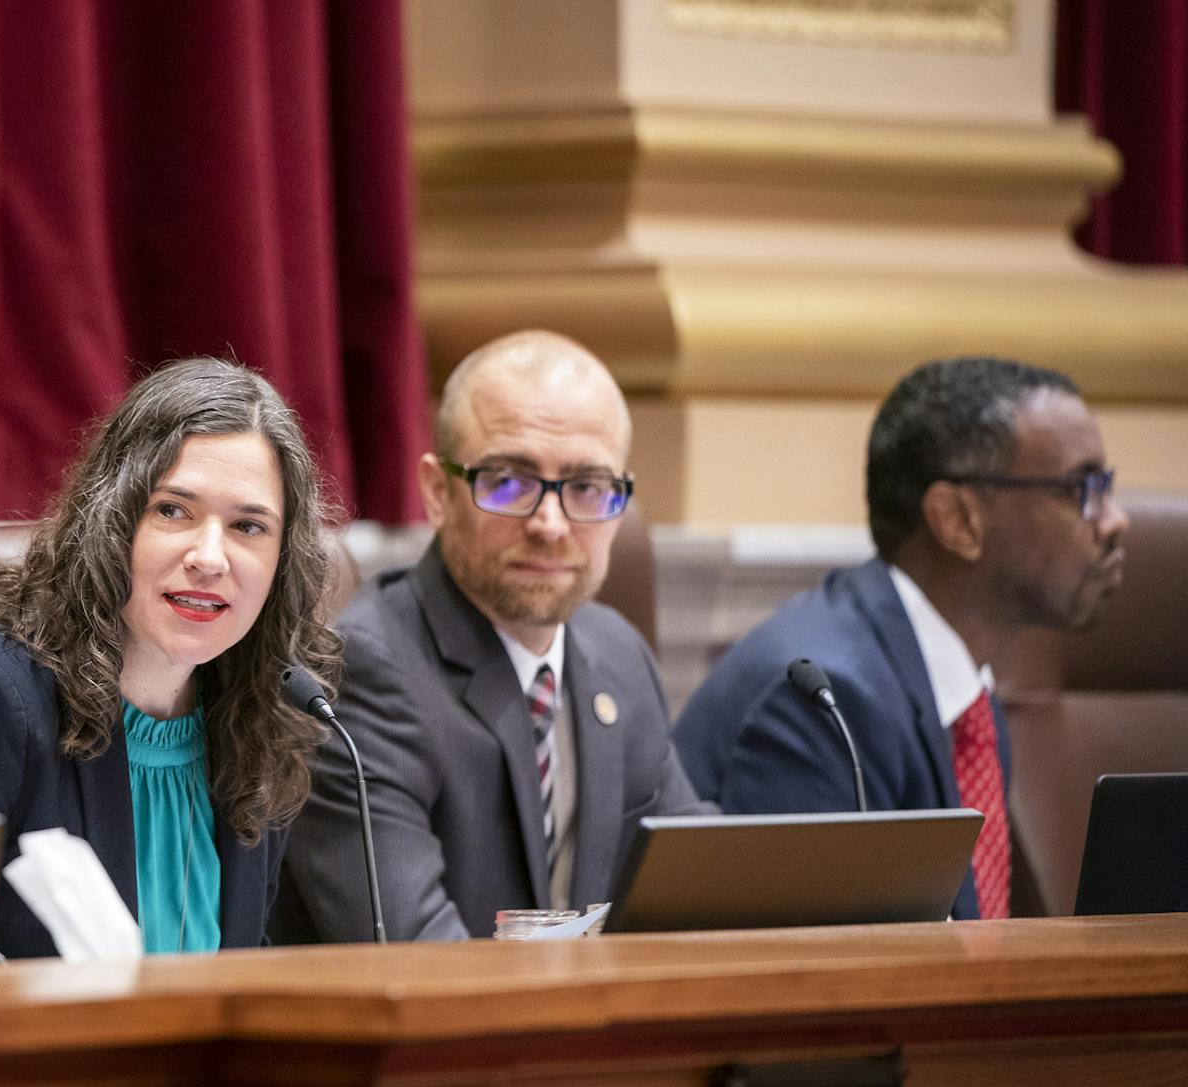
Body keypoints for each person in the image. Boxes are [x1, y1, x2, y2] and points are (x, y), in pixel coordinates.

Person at [0, 358, 341, 958]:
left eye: (248, 526)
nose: (211, 556)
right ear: (113, 520)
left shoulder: (257, 730)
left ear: (283, 562)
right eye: (173, 510)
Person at [272, 330, 709, 943]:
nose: (551, 524)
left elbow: (699, 896)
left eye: (586, 487)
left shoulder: (617, 652)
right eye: (509, 483)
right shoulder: (364, 672)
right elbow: (421, 957)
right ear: (437, 493)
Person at [674, 357, 1128, 919]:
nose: (1114, 520)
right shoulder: (826, 700)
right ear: (958, 519)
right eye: (1081, 488)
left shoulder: (965, 697)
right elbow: (815, 977)